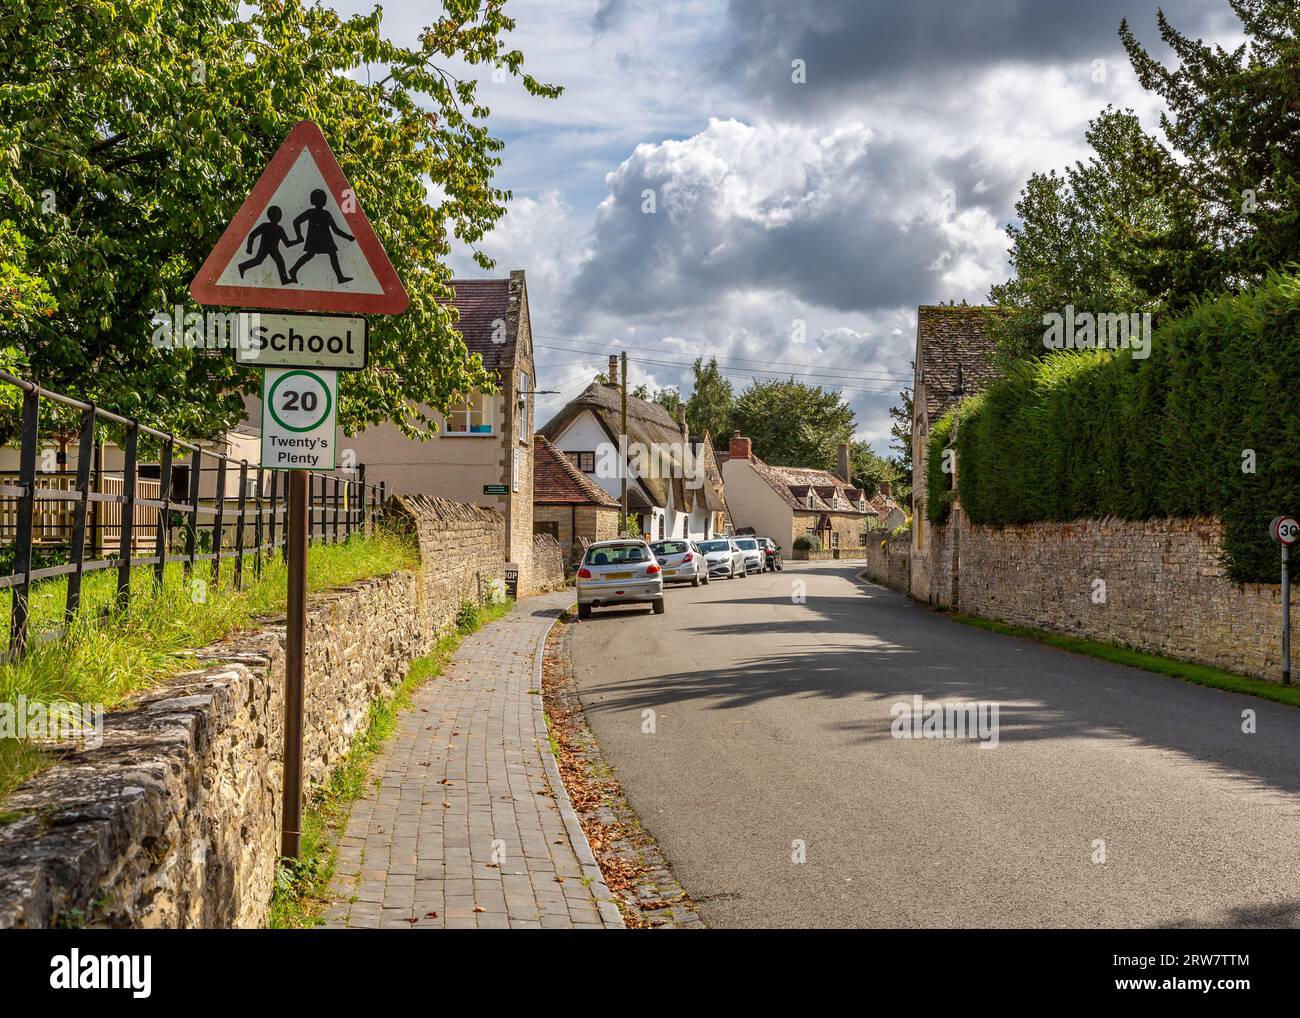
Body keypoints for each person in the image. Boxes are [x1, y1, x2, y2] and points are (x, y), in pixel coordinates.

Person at [288, 189, 355, 285]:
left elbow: (296, 222)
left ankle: (293, 270)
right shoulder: (324, 213)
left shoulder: (313, 212)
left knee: (313, 254)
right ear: (324, 201)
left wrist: (299, 236)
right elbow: (335, 230)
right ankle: (340, 277)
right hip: (323, 240)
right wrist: (348, 237)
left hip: (320, 240)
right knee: (329, 254)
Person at [238, 205, 296, 284]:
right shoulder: (265, 226)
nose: (276, 217)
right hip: (264, 248)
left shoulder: (280, 229)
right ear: (270, 215)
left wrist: (298, 241)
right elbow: (252, 235)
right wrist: (249, 248)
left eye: (277, 215)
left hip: (274, 249)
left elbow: (287, 244)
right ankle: (242, 266)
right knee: (258, 260)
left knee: (280, 262)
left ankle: (284, 279)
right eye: (274, 214)